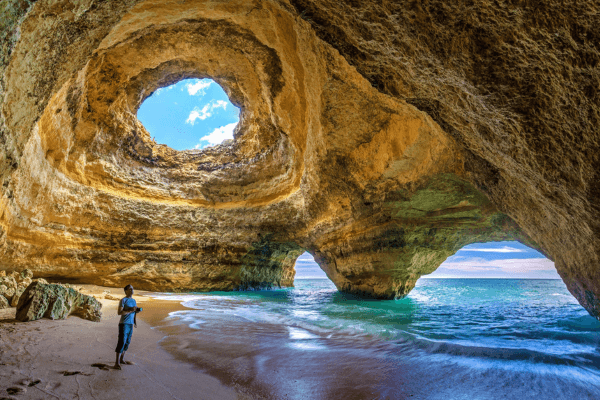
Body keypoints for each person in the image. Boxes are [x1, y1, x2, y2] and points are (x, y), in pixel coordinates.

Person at [114, 284, 138, 370]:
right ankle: (116, 363)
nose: (132, 290)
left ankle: (122, 359)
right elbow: (119, 312)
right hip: (123, 323)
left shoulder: (134, 301)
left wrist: (135, 321)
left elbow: (134, 312)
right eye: (130, 289)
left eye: (132, 288)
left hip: (130, 324)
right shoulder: (123, 300)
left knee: (127, 342)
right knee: (122, 342)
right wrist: (130, 310)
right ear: (126, 291)